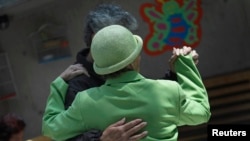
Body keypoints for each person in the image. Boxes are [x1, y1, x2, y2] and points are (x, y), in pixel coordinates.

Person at [42, 25, 211, 141]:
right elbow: (201, 112)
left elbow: (51, 129)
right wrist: (185, 67)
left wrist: (59, 84)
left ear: (100, 67)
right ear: (135, 59)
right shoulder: (168, 91)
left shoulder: (85, 103)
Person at [63, 3, 148, 141]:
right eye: (121, 40)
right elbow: (66, 136)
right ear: (96, 37)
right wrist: (102, 139)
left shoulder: (123, 63)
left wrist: (176, 73)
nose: (127, 48)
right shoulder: (76, 83)